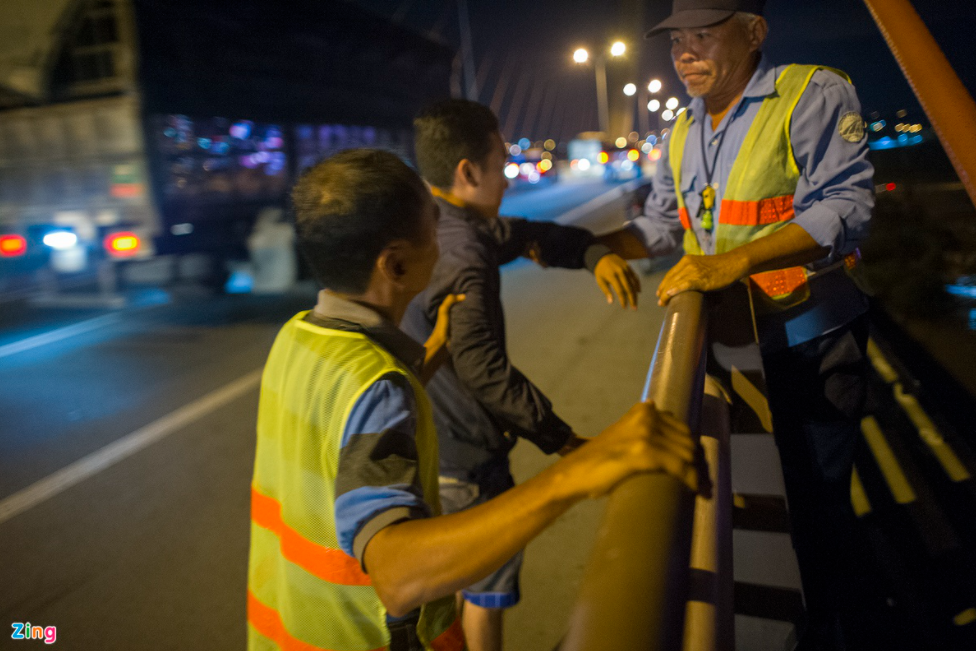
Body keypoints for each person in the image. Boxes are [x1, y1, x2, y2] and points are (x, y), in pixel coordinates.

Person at [246, 148, 699, 651]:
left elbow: (338, 431)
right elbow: (397, 575)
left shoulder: (296, 339)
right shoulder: (379, 387)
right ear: (395, 264)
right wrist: (577, 472)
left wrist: (431, 354)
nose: (445, 243)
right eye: (432, 229)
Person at [597, 1, 879, 648]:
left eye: (703, 35)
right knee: (769, 497)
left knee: (818, 504)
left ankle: (841, 626)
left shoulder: (810, 93)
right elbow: (667, 223)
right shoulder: (681, 130)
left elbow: (848, 205)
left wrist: (732, 264)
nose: (685, 54)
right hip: (737, 349)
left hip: (810, 339)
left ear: (754, 33)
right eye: (676, 41)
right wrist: (591, 245)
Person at [399, 99, 643, 651]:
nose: (508, 176)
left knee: (451, 598)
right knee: (485, 596)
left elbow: (523, 233)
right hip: (470, 463)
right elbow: (485, 370)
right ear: (467, 172)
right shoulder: (465, 255)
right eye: (501, 160)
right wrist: (564, 442)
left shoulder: (436, 227)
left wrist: (589, 253)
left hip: (432, 450)